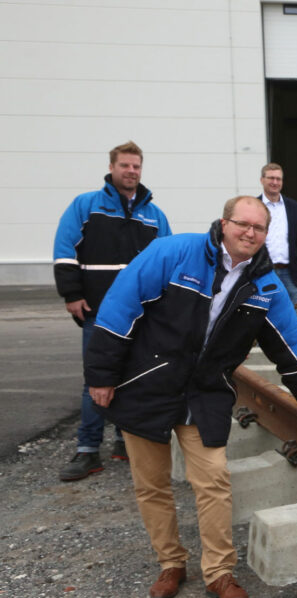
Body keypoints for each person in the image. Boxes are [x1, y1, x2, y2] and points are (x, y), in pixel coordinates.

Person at [84, 196, 297, 598]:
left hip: (205, 392)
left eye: (258, 228)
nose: (249, 233)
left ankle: (219, 572)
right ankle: (171, 563)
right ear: (223, 223)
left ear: (267, 235)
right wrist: (102, 377)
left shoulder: (266, 285)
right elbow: (118, 309)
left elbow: (291, 349)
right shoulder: (173, 253)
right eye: (242, 224)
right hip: (148, 383)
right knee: (151, 483)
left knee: (213, 480)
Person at [53, 141, 172, 481]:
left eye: (136, 166)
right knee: (97, 378)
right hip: (99, 312)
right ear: (112, 167)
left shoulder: (155, 215)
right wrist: (71, 293)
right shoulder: (86, 206)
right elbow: (65, 250)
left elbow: (167, 262)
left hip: (141, 315)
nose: (131, 171)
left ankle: (125, 441)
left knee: (134, 377)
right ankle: (88, 449)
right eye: (125, 166)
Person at [259, 163, 297, 339]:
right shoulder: (255, 207)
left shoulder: (293, 206)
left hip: (290, 273)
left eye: (278, 178)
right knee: (262, 316)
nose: (275, 182)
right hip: (264, 273)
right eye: (271, 178)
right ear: (262, 180)